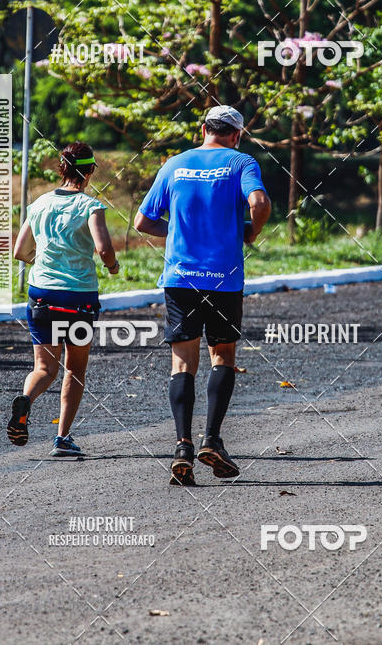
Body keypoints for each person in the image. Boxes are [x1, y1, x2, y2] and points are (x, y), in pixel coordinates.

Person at [134, 105, 271, 485]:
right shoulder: (241, 163)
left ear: (203, 129)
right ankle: (212, 440)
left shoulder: (174, 164)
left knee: (182, 363)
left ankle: (182, 446)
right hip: (223, 279)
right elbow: (259, 203)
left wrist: (180, 230)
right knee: (222, 356)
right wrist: (251, 232)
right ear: (237, 135)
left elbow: (143, 221)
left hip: (181, 278)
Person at [9, 141, 119, 456]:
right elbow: (104, 249)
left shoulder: (39, 204)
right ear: (89, 171)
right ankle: (62, 437)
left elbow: (20, 251)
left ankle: (26, 400)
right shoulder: (91, 206)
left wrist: (45, 263)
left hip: (42, 294)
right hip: (79, 299)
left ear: (62, 168)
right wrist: (112, 267)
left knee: (44, 368)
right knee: (74, 369)